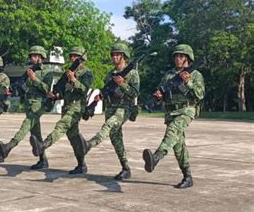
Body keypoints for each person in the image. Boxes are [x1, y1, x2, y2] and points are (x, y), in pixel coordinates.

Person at [142, 44, 205, 189]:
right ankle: (188, 177)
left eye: (181, 56)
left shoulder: (195, 74)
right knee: (178, 146)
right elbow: (161, 92)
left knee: (172, 131)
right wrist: (158, 96)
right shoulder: (169, 75)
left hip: (186, 110)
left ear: (188, 58)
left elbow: (199, 95)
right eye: (176, 56)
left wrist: (188, 82)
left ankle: (156, 158)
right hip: (170, 112)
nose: (178, 58)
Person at [29, 47, 94, 174]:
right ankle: (81, 165)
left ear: (81, 59)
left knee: (61, 126)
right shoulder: (67, 72)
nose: (72, 58)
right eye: (71, 56)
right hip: (67, 106)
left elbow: (84, 89)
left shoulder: (87, 73)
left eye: (75, 56)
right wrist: (56, 95)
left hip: (77, 107)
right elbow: (63, 91)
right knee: (73, 136)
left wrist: (74, 80)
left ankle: (42, 146)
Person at [81, 43, 140, 180]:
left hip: (124, 108)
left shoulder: (132, 73)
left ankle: (89, 145)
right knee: (116, 139)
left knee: (109, 125)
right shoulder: (110, 74)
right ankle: (126, 168)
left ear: (124, 56)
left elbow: (135, 93)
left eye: (117, 54)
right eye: (113, 54)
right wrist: (100, 97)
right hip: (111, 107)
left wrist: (122, 84)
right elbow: (108, 90)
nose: (114, 56)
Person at [0, 46, 53, 169]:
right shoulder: (29, 71)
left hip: (39, 104)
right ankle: (43, 160)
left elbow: (47, 89)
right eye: (31, 56)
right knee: (35, 133)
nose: (32, 58)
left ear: (40, 57)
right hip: (28, 103)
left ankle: (9, 146)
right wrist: (12, 89)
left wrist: (35, 79)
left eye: (34, 56)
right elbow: (21, 84)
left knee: (26, 125)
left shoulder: (47, 72)